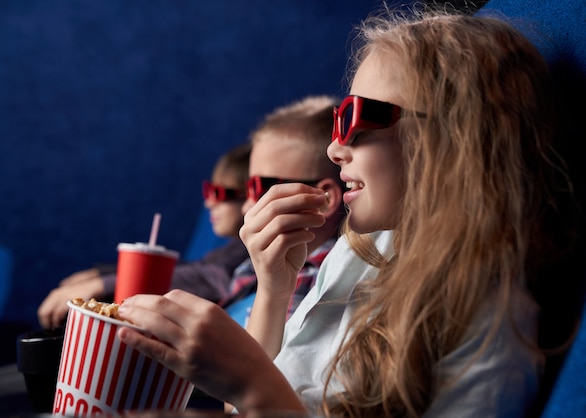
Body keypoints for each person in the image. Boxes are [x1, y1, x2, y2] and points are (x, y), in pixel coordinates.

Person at [115, 11, 574, 417]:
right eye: (337, 121)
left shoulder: (491, 326)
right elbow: (240, 407)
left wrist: (252, 385)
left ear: (454, 141)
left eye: (355, 119)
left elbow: (254, 396)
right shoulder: (358, 254)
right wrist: (274, 285)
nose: (335, 149)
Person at [37, 142, 252, 329]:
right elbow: (194, 268)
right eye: (208, 191)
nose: (208, 203)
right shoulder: (231, 248)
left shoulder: (248, 250)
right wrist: (102, 274)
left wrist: (102, 284)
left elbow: (209, 278)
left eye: (219, 193)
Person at [220, 95, 346, 326]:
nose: (247, 206)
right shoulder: (249, 269)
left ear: (324, 199)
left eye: (261, 187)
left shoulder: (320, 279)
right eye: (246, 188)